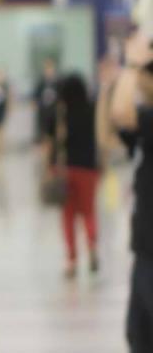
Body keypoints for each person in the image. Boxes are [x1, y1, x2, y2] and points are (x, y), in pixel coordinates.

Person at [97, 32, 153, 353]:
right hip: (145, 246)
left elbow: (123, 116)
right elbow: (109, 135)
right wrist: (109, 84)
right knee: (139, 330)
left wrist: (131, 66)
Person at [50, 71, 102, 278]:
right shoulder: (92, 110)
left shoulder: (61, 113)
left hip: (64, 169)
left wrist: (49, 167)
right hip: (88, 169)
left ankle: (71, 260)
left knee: (68, 216)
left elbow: (52, 142)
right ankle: (92, 247)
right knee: (89, 212)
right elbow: (100, 139)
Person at [36, 58, 62, 148]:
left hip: (54, 113)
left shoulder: (58, 82)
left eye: (50, 68)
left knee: (54, 136)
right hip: (43, 113)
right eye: (47, 68)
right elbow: (36, 97)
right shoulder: (41, 82)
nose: (49, 70)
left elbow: (60, 99)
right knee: (44, 136)